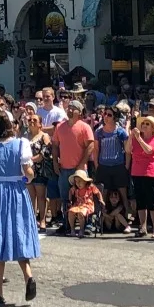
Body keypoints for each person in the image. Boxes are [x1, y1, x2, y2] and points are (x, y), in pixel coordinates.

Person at [0, 111, 39, 306]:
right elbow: (28, 173)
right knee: (18, 234)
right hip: (18, 192)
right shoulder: (21, 144)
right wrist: (27, 177)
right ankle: (28, 276)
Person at [51, 100, 93, 235]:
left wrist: (82, 164)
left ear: (79, 112)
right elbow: (55, 145)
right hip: (64, 168)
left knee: (84, 197)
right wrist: (55, 162)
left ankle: (87, 224)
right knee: (65, 197)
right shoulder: (60, 127)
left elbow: (90, 146)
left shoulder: (84, 127)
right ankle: (66, 224)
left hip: (79, 170)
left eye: (73, 108)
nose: (69, 110)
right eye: (68, 107)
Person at [127, 116, 154, 239]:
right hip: (137, 172)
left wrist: (139, 139)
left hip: (150, 172)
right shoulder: (136, 139)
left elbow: (149, 150)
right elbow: (127, 149)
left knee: (152, 201)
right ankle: (143, 227)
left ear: (153, 128)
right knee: (140, 200)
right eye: (144, 123)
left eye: (148, 124)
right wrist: (132, 136)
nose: (144, 125)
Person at [65, 169, 101, 236]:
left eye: (79, 181)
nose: (78, 183)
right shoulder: (75, 188)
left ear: (85, 181)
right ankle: (72, 229)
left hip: (87, 205)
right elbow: (70, 192)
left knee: (80, 213)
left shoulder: (91, 187)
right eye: (76, 181)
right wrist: (70, 200)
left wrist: (101, 200)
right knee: (70, 212)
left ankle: (81, 230)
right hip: (78, 204)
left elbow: (98, 192)